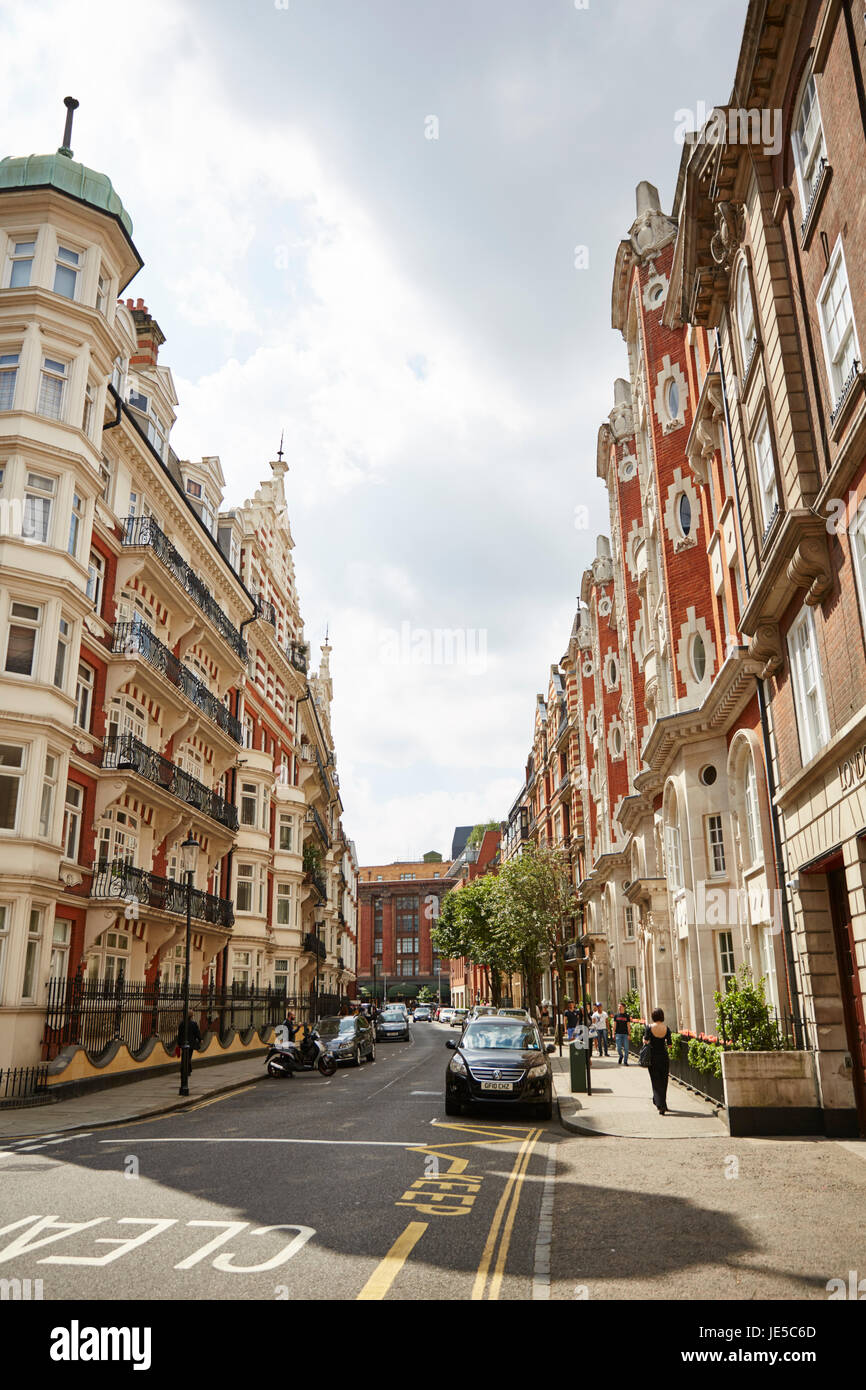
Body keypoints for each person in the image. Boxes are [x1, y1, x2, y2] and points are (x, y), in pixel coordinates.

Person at [643, 1008, 673, 1113]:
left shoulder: (649, 1027)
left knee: (655, 1081)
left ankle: (659, 1104)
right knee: (664, 1081)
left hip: (653, 1057)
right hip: (664, 1057)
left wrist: (645, 1040)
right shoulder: (666, 1028)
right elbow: (669, 1045)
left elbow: (646, 1041)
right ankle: (663, 1103)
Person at [613, 1001, 631, 1065]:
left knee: (626, 1048)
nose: (619, 1008)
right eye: (618, 1007)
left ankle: (625, 1061)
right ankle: (621, 1055)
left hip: (625, 1034)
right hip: (618, 1034)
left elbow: (628, 1026)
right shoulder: (616, 1016)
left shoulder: (627, 1016)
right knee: (618, 1048)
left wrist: (629, 1034)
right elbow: (614, 1025)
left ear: (624, 1007)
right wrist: (613, 1033)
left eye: (620, 1006)